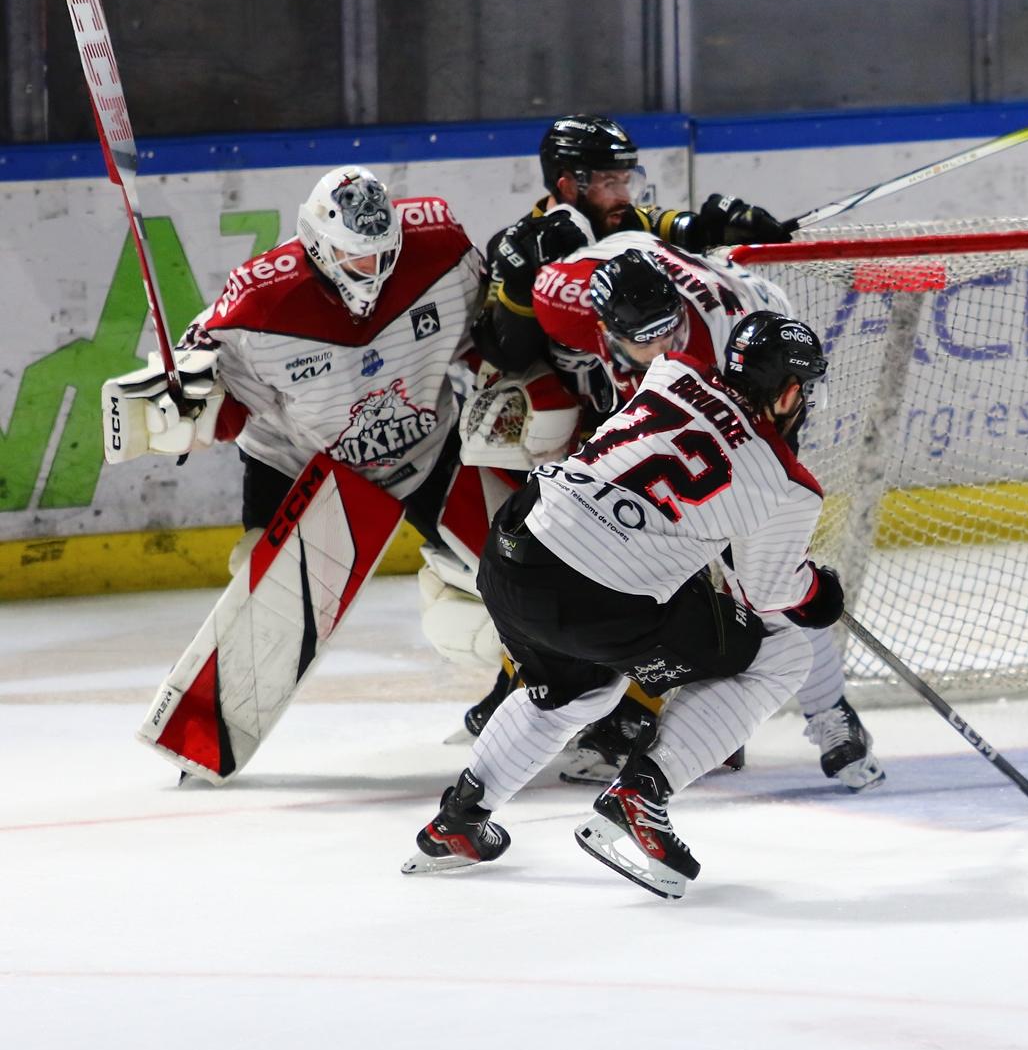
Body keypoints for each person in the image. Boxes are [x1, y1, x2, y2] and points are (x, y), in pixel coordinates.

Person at [404, 312, 843, 899]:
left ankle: (458, 820)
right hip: (596, 597)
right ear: (790, 392)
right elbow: (768, 592)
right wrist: (817, 592)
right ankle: (642, 797)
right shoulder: (788, 486)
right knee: (781, 651)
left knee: (576, 688)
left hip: (514, 553)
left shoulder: (671, 372)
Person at [102, 166, 501, 772]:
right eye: (354, 259)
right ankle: (208, 731)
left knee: (514, 574)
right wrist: (185, 408)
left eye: (382, 255)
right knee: (264, 592)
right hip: (301, 463)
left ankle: (538, 694)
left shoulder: (441, 248)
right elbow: (223, 410)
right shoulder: (257, 304)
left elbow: (489, 333)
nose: (372, 272)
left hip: (428, 449)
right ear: (317, 242)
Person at [465, 236, 885, 789]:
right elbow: (635, 233)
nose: (659, 343)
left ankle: (830, 714)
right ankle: (629, 708)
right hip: (665, 450)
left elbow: (769, 473)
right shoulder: (576, 301)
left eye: (668, 329)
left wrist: (781, 554)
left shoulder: (715, 355)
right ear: (606, 329)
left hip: (749, 420)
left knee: (762, 589)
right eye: (643, 338)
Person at [471, 114, 790, 377]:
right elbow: (510, 357)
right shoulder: (516, 246)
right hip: (561, 408)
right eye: (610, 183)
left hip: (628, 396)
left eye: (627, 180)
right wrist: (520, 281)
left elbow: (692, 230)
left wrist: (727, 223)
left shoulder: (634, 221)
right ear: (568, 185)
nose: (624, 195)